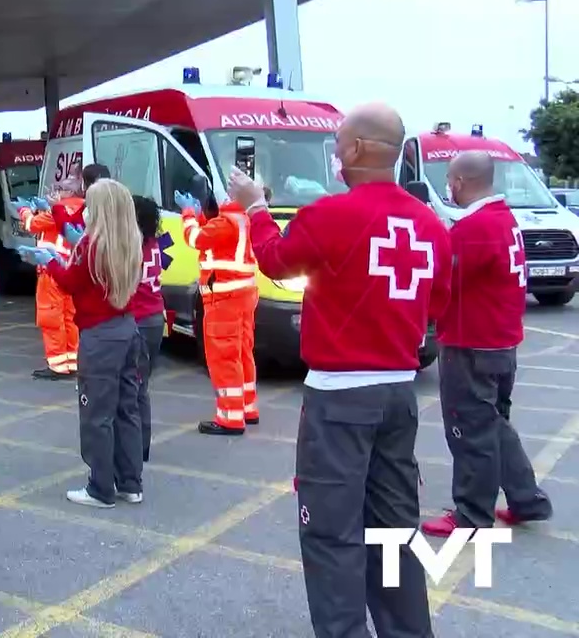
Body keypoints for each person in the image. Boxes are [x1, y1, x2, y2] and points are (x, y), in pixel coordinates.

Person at [228, 102, 450, 638]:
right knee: (395, 532)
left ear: (352, 151)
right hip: (399, 394)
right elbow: (438, 305)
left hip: (339, 397)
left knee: (331, 533)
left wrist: (255, 208)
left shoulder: (330, 215)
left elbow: (275, 261)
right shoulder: (431, 225)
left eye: (337, 142)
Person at [422, 150, 552, 538]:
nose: (448, 187)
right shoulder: (502, 220)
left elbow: (440, 277)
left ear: (460, 182)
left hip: (470, 345)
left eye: (450, 180)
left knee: (469, 431)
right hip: (500, 343)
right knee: (494, 427)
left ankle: (471, 514)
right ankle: (526, 499)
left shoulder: (474, 229)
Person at [25, 178, 144, 509]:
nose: (86, 209)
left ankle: (100, 488)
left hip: (99, 336)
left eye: (91, 203)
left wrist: (46, 260)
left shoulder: (93, 245)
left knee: (96, 414)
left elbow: (69, 283)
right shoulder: (130, 240)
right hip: (127, 329)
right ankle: (130, 483)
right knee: (126, 410)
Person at [175, 175, 259, 436]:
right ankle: (247, 407)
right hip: (242, 296)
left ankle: (230, 417)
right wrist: (200, 217)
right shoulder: (242, 219)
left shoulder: (226, 222)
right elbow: (213, 245)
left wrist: (188, 214)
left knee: (223, 357)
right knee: (242, 352)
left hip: (224, 299)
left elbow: (196, 240)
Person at [14, 180, 84, 380]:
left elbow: (32, 225)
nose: (53, 192)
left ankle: (57, 366)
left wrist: (24, 209)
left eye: (58, 189)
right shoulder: (81, 207)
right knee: (70, 317)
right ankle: (72, 361)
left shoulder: (58, 209)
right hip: (70, 270)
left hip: (51, 271)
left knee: (51, 317)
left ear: (67, 192)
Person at [130, 195, 167, 461]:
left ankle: (138, 446)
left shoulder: (134, 247)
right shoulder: (152, 243)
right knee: (142, 386)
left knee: (135, 388)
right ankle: (142, 446)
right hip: (155, 316)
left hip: (139, 319)